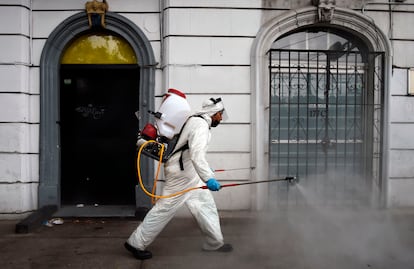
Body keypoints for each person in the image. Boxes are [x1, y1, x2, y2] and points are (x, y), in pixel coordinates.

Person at [124, 97, 232, 260]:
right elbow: (196, 155)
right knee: (164, 209)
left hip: (189, 174)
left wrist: (204, 170)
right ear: (213, 113)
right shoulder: (201, 126)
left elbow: (190, 152)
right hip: (181, 176)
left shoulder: (196, 120)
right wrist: (208, 178)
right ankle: (136, 243)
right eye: (220, 114)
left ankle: (214, 242)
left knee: (204, 205)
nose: (221, 118)